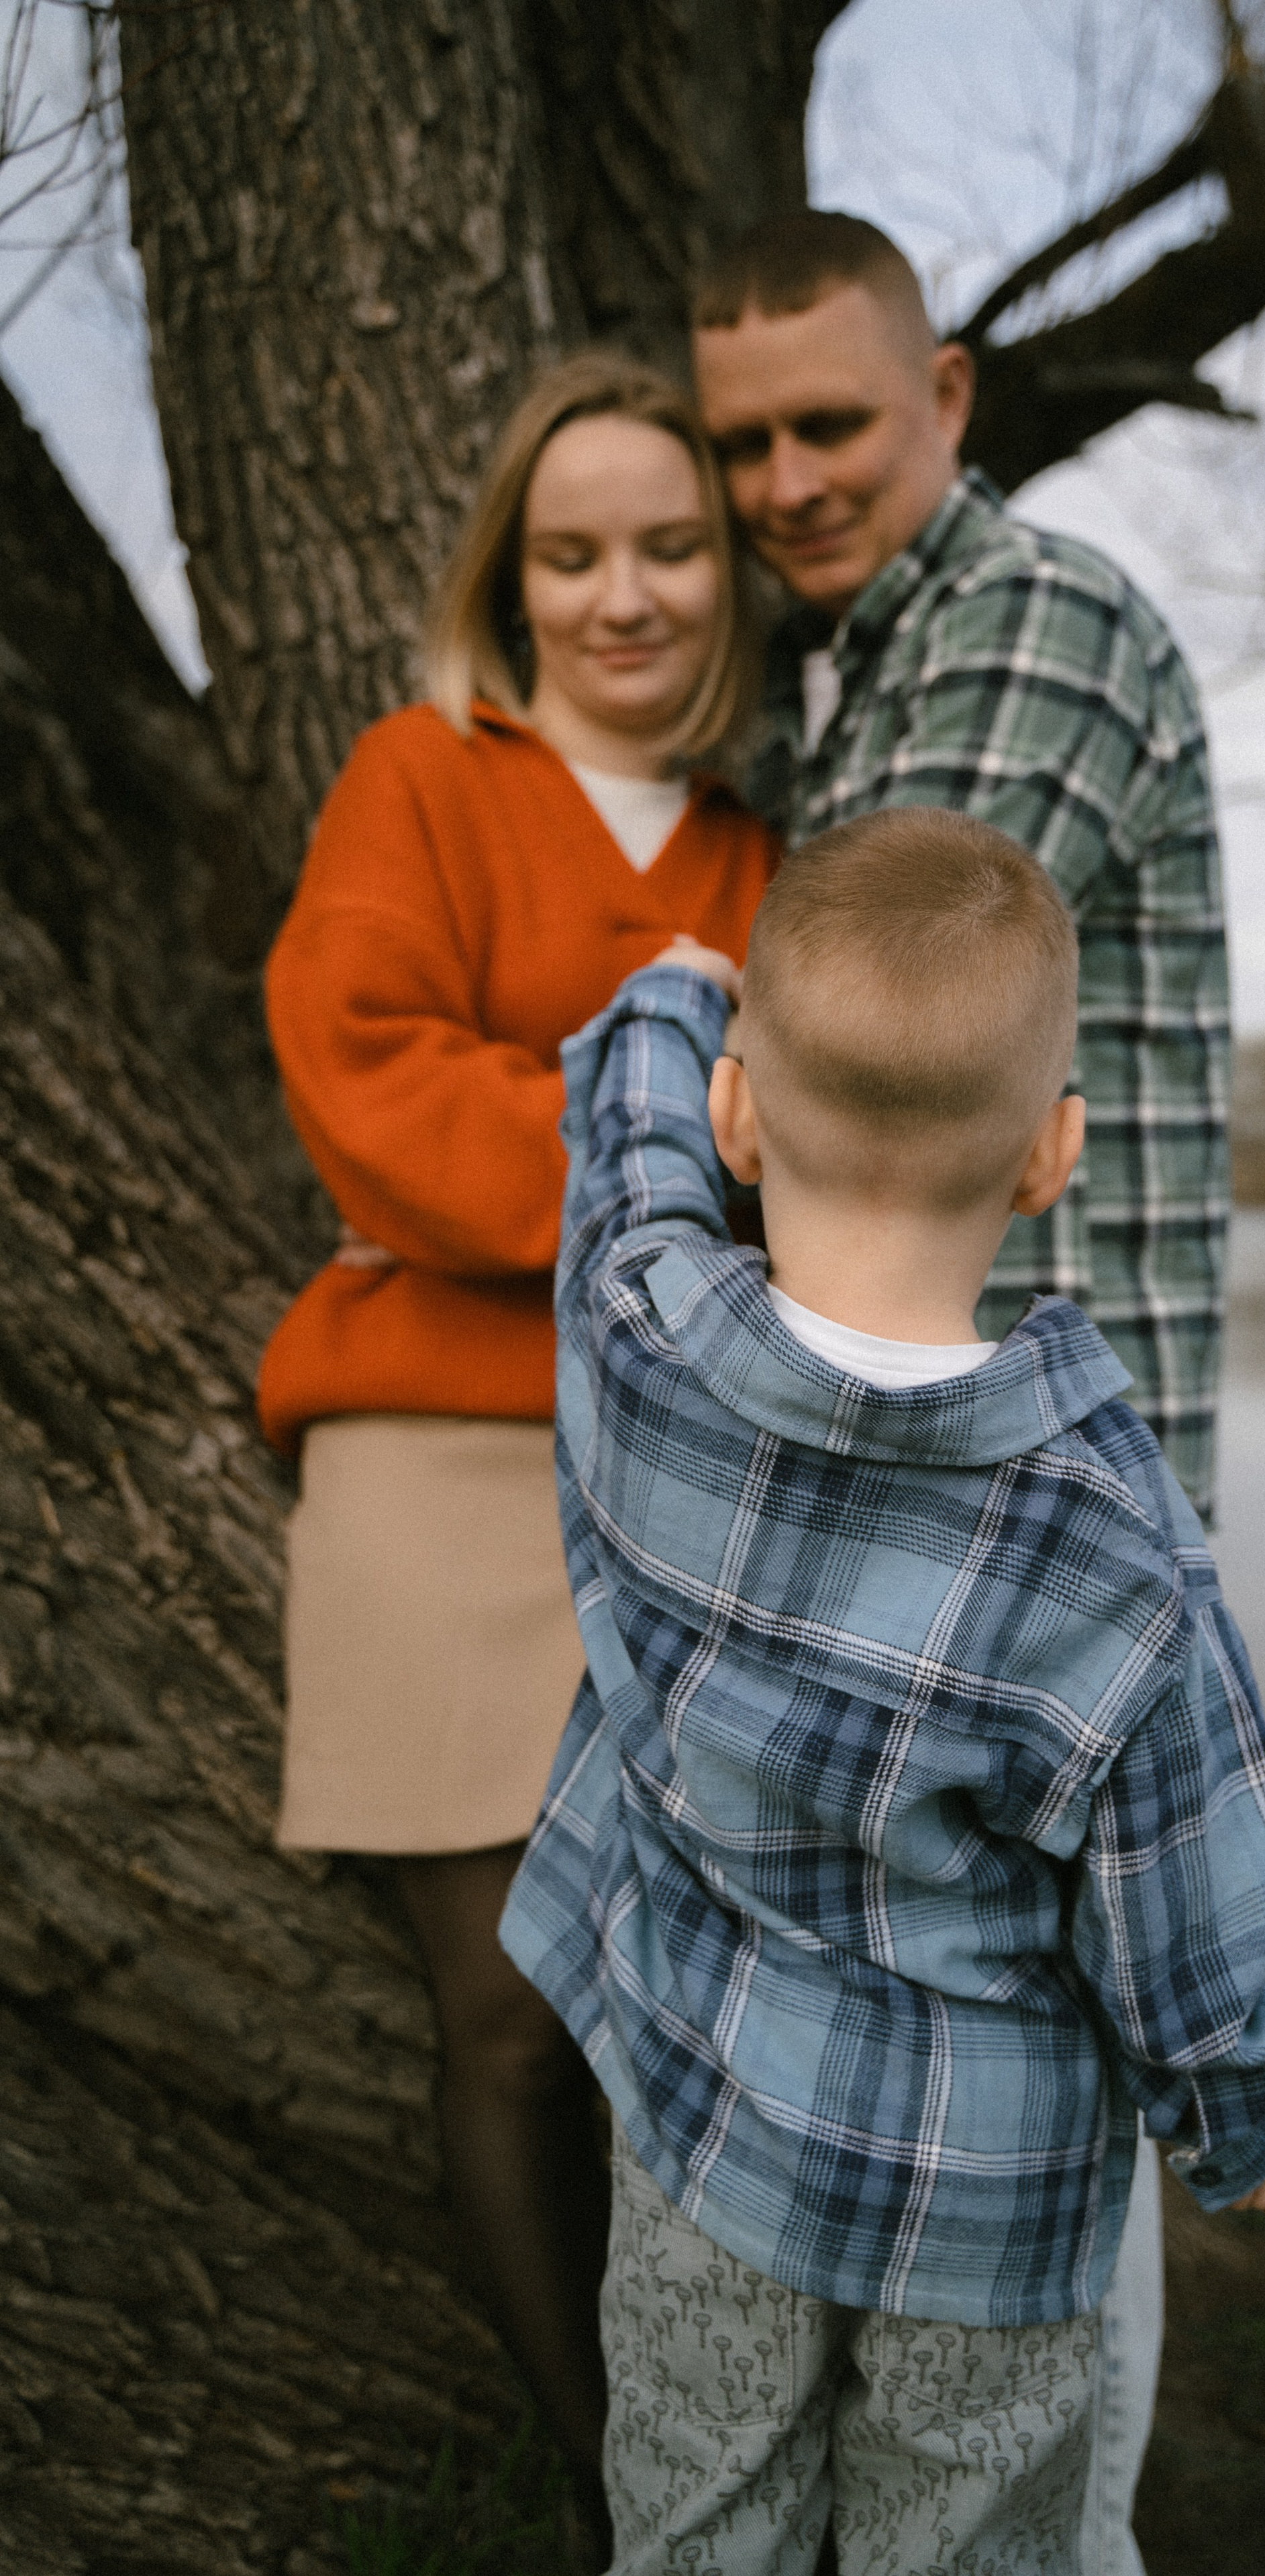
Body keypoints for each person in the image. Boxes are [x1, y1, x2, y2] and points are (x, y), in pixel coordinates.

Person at [501, 809, 1265, 2576]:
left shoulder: (636, 1335)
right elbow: (1182, 1910)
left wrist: (667, 992)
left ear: (739, 1117)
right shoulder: (1113, 1542)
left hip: (708, 2124)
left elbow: (624, 1149)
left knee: (702, 2517)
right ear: (1052, 1156)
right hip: (986, 2202)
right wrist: (1241, 2126)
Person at [255, 348, 777, 2547]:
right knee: (503, 2014)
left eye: (668, 546)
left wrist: (583, 1120)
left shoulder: (773, 856)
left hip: (695, 1480)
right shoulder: (421, 776)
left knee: (701, 2012)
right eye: (572, 553)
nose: (623, 595)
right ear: (514, 577)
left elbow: (835, 1150)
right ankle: (614, 2489)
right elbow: (365, 1080)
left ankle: (754, 2438)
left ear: (730, 581)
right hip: (439, 1454)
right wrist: (689, 1150)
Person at [691, 209, 1229, 1527]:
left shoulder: (1040, 611)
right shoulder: (817, 668)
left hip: (1042, 1479)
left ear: (944, 394)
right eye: (742, 446)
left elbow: (869, 1020)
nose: (786, 484)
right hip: (892, 1445)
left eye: (828, 426)